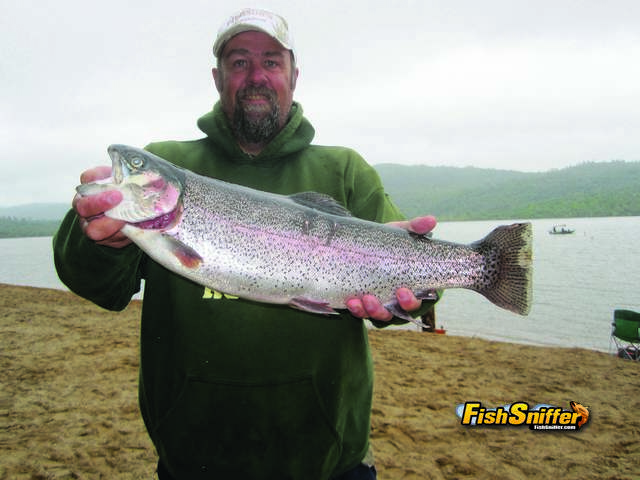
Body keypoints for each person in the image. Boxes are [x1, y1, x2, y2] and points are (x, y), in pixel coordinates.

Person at [53, 8, 438, 480]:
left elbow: (410, 301)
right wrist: (97, 238)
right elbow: (95, 285)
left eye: (272, 62)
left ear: (295, 75)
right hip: (193, 458)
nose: (256, 76)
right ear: (217, 78)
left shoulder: (345, 170)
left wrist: (416, 294)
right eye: (239, 62)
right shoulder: (169, 162)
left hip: (328, 459)